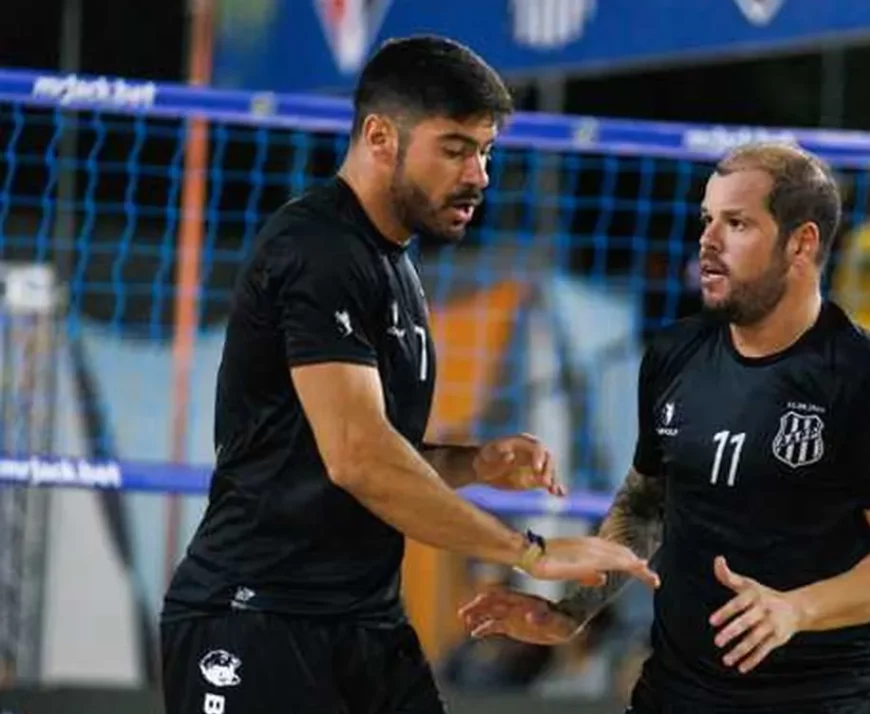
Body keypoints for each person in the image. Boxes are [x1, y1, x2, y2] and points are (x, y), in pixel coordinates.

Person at [160, 35, 658, 714]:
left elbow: (365, 456)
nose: (479, 173)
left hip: (365, 626)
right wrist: (532, 553)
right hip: (259, 620)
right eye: (455, 148)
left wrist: (474, 461)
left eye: (485, 151)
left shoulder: (394, 266)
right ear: (379, 136)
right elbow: (359, 459)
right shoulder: (317, 248)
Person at [459, 142, 870, 713]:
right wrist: (570, 613)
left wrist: (797, 609)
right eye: (706, 219)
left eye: (736, 223)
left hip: (815, 699)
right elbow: (644, 507)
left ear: (801, 243)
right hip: (674, 694)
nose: (708, 241)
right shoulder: (674, 353)